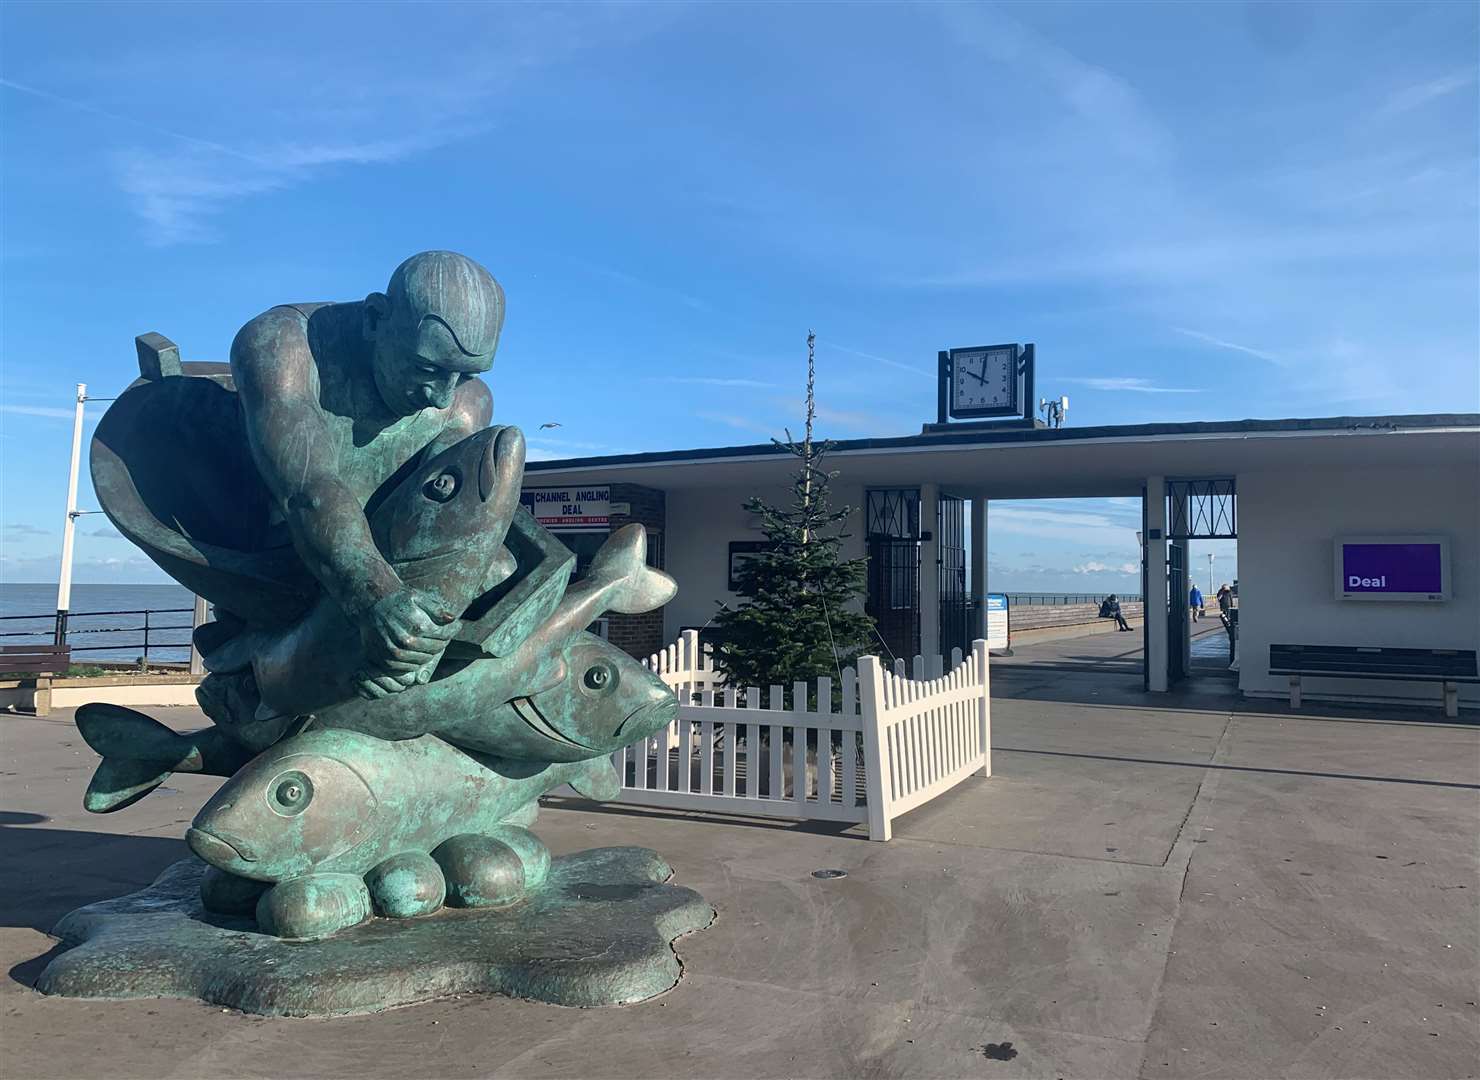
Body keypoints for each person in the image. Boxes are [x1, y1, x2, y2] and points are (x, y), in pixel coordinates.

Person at [229, 250, 505, 697]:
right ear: (376, 318)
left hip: (378, 573)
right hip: (269, 560)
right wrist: (377, 598)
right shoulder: (283, 344)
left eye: (466, 375)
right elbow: (307, 487)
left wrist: (431, 633)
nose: (442, 397)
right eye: (427, 367)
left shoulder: (468, 406)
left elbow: (447, 534)